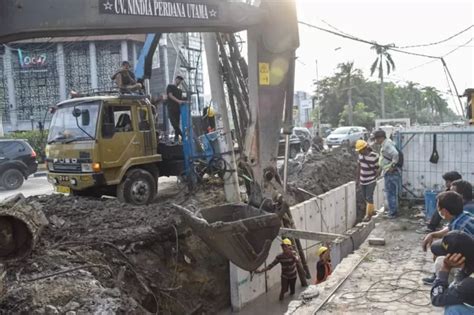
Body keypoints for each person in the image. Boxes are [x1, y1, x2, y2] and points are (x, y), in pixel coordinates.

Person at [422, 191, 474, 285]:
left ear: (444, 211)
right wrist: (433, 234)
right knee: (438, 246)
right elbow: (449, 227)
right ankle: (437, 276)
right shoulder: (463, 215)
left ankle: (445, 282)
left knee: (439, 253)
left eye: (438, 207)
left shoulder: (458, 229)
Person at [430, 230, 474, 314]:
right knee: (440, 261)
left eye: (446, 255)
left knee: (453, 309)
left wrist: (446, 268)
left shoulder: (470, 282)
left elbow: (437, 298)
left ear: (458, 258)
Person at [373, 130, 400, 219]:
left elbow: (396, 154)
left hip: (391, 172)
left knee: (390, 193)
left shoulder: (387, 144)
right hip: (388, 171)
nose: (375, 141)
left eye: (376, 139)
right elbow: (384, 158)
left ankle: (393, 213)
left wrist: (392, 166)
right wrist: (380, 169)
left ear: (380, 138)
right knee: (391, 192)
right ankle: (393, 211)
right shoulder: (386, 143)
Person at [355, 139, 379, 221]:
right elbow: (359, 167)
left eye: (360, 150)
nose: (359, 152)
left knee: (369, 197)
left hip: (371, 180)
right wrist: (357, 180)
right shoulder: (360, 156)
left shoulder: (374, 156)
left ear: (365, 148)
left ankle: (368, 215)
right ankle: (371, 211)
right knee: (365, 197)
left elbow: (378, 169)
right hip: (362, 180)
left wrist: (375, 177)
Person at [166, 75, 185, 143]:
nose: (179, 81)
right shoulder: (170, 86)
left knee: (177, 124)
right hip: (171, 108)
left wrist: (184, 101)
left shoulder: (180, 90)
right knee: (174, 124)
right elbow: (170, 95)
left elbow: (181, 98)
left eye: (180, 80)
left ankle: (176, 140)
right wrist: (178, 101)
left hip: (177, 110)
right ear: (176, 79)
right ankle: (183, 136)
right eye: (178, 79)